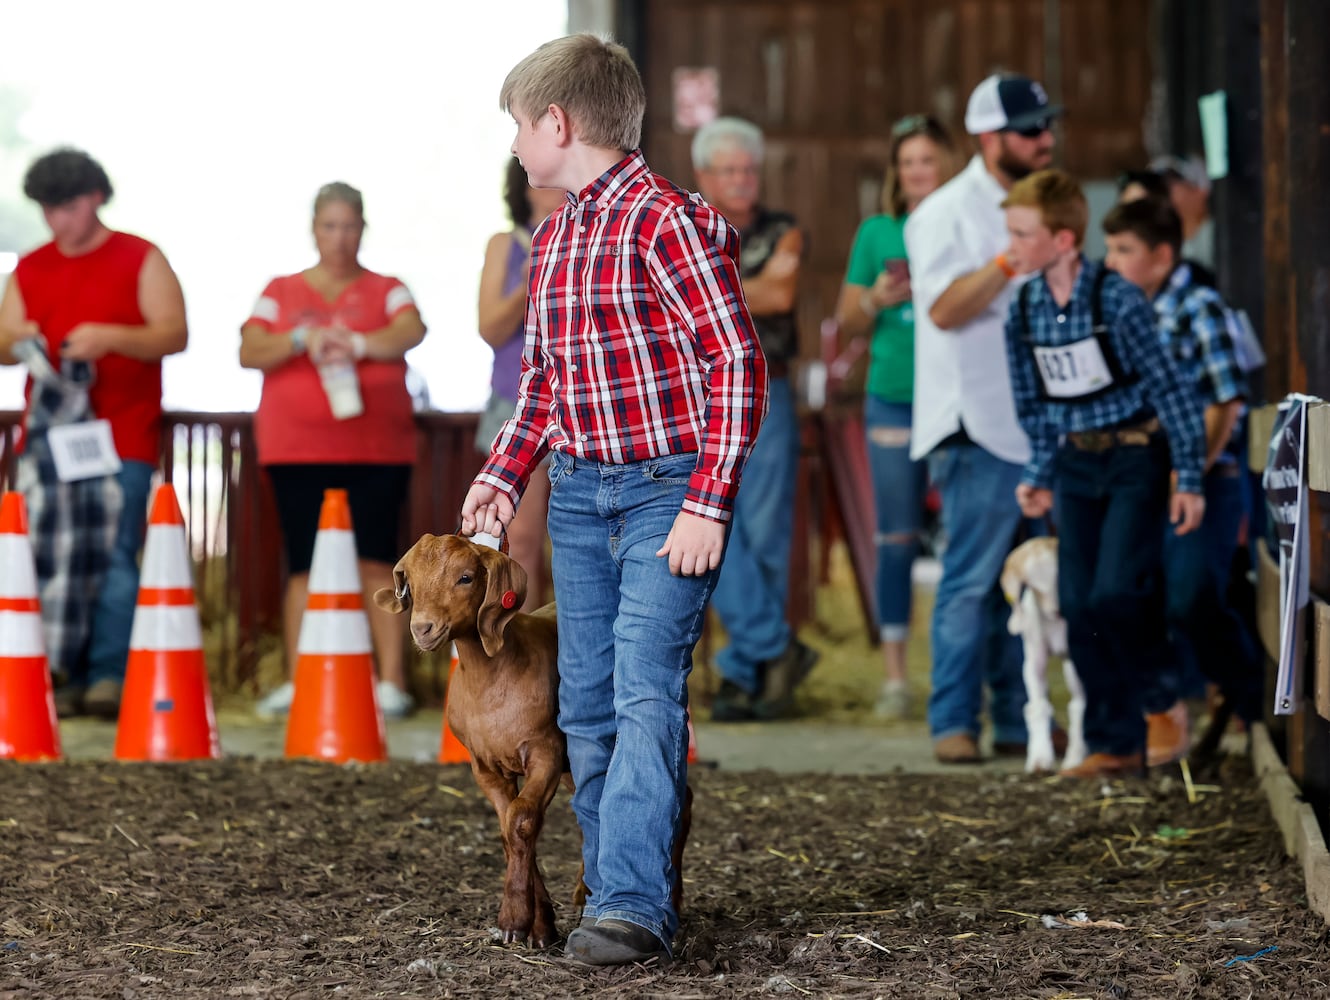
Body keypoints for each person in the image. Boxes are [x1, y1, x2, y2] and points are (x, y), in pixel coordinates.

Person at [460, 34, 766, 966]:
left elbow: (736, 359)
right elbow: (545, 383)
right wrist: (501, 477)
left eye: (519, 123)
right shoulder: (552, 237)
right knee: (586, 705)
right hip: (583, 495)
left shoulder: (671, 221)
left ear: (557, 122)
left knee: (642, 692)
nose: (514, 143)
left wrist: (708, 501)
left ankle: (631, 902)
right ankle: (619, 881)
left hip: (666, 492)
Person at [1002, 169, 1206, 780]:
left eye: (1022, 233)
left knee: (1118, 589)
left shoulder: (1117, 299)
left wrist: (1189, 475)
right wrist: (1038, 470)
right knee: (1078, 602)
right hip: (1074, 461)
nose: (1010, 246)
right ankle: (1114, 740)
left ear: (1063, 240)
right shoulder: (1024, 308)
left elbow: (1170, 389)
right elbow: (1033, 403)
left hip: (1134, 456)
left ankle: (1160, 698)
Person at [903, 73, 1061, 764]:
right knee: (969, 580)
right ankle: (953, 722)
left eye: (1047, 126)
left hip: (1037, 425)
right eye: (1032, 130)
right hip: (977, 422)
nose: (1046, 139)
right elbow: (942, 308)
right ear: (990, 137)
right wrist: (1008, 260)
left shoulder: (1039, 202)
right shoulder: (944, 213)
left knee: (1026, 580)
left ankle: (1022, 722)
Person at [0, 148, 188, 720]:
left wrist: (111, 337)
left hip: (122, 437)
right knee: (45, 553)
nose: (59, 221)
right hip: (49, 441)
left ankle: (108, 673)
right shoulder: (29, 268)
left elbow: (173, 333)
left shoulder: (140, 257)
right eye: (49, 209)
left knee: (112, 554)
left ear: (96, 198)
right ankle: (56, 669)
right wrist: (20, 338)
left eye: (68, 207)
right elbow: (2, 343)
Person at [240, 182, 426, 721]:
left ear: (362, 229)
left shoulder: (388, 289)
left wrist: (359, 343)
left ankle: (391, 681)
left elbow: (411, 329)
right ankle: (299, 681)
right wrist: (301, 340)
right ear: (314, 229)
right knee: (303, 564)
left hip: (376, 450)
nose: (340, 237)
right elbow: (250, 349)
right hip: (296, 448)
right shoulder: (281, 290)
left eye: (349, 226)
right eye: (330, 226)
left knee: (377, 561)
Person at [1101, 196, 1262, 762]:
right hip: (1142, 475)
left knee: (1192, 594)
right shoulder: (1122, 312)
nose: (1111, 260)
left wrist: (1187, 470)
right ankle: (1175, 710)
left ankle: (1254, 698)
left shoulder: (1200, 307)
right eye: (1108, 248)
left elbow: (1227, 401)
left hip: (1206, 476)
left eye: (1124, 249)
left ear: (1163, 255)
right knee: (1135, 593)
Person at [834, 113, 957, 720]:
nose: (916, 172)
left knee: (962, 535)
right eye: (907, 162)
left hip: (956, 397)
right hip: (893, 394)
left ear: (947, 166)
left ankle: (959, 675)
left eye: (927, 161)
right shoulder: (878, 232)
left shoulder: (964, 227)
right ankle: (894, 677)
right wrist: (876, 300)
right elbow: (847, 322)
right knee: (897, 537)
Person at [689, 116, 812, 722]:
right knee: (712, 526)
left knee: (763, 535)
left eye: (748, 170)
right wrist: (746, 285)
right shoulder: (684, 223)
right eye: (728, 171)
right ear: (703, 175)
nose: (741, 180)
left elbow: (780, 296)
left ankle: (746, 669)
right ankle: (774, 649)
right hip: (702, 397)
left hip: (771, 392)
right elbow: (756, 293)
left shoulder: (782, 229)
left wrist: (701, 286)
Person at [475, 157, 566, 609]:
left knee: (573, 537)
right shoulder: (506, 246)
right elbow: (490, 329)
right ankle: (523, 644)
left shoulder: (584, 239)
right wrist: (527, 284)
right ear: (524, 189)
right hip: (517, 404)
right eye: (542, 183)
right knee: (522, 535)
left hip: (576, 403)